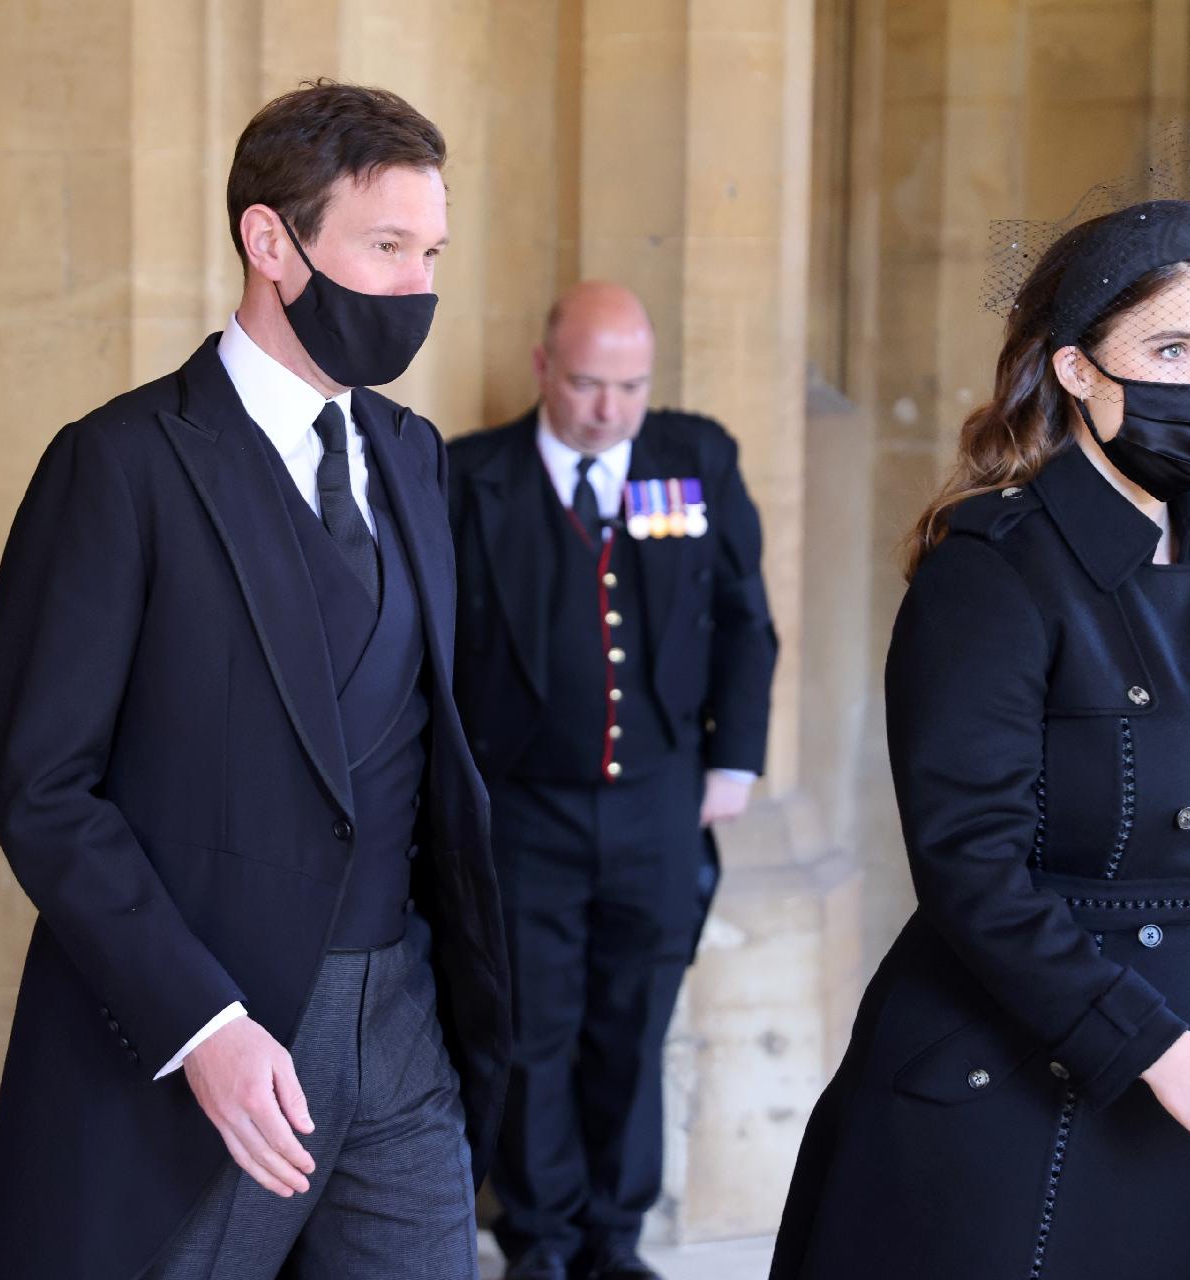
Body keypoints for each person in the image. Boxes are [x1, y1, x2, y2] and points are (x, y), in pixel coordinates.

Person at [770, 190, 1190, 1279]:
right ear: (1076, 367)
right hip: (1044, 1064)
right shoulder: (990, 569)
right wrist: (1151, 1043)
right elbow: (971, 867)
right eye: (1171, 345)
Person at [0, 81, 509, 1280]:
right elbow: (43, 787)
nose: (417, 286)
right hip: (208, 1039)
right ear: (273, 241)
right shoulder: (116, 465)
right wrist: (200, 1026)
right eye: (385, 247)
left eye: (432, 253)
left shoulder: (414, 457)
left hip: (403, 1023)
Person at [446, 281, 778, 1280]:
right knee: (529, 1027)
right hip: (525, 810)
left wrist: (734, 759)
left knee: (634, 1023)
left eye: (630, 386)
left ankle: (613, 1239)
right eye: (589, 383)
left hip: (659, 804)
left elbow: (743, 618)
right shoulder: (473, 476)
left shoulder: (695, 459)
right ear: (546, 368)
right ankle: (539, 1240)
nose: (608, 409)